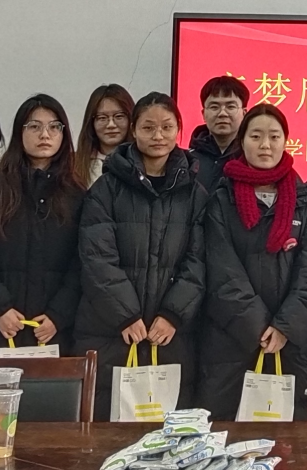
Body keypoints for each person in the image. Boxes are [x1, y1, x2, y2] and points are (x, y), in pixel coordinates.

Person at [73, 92, 208, 415]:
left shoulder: (196, 194)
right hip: (110, 330)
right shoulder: (105, 189)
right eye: (148, 127)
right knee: (108, 427)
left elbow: (199, 261)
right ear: (133, 130)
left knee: (169, 430)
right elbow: (97, 257)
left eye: (167, 127)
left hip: (172, 335)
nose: (158, 136)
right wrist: (126, 314)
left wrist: (173, 314)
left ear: (179, 130)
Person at [198, 103, 307, 415]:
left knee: (296, 438)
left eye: (274, 136)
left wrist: (284, 327)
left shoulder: (305, 200)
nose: (265, 145)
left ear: (285, 141)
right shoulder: (221, 199)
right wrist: (258, 328)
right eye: (256, 136)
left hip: (292, 342)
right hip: (232, 343)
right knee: (230, 433)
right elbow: (222, 272)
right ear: (242, 141)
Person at [0, 95, 87, 357]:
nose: (44, 134)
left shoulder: (76, 193)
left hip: (52, 332)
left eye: (54, 127)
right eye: (34, 126)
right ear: (18, 132)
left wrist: (59, 315)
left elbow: (82, 263)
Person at [190, 75, 249, 190]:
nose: (222, 113)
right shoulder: (188, 160)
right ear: (203, 114)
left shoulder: (252, 158)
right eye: (214, 107)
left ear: (244, 113)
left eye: (230, 107)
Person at [72, 83, 135, 187]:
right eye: (102, 118)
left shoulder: (143, 162)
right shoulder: (74, 165)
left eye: (119, 116)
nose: (111, 125)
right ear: (91, 122)